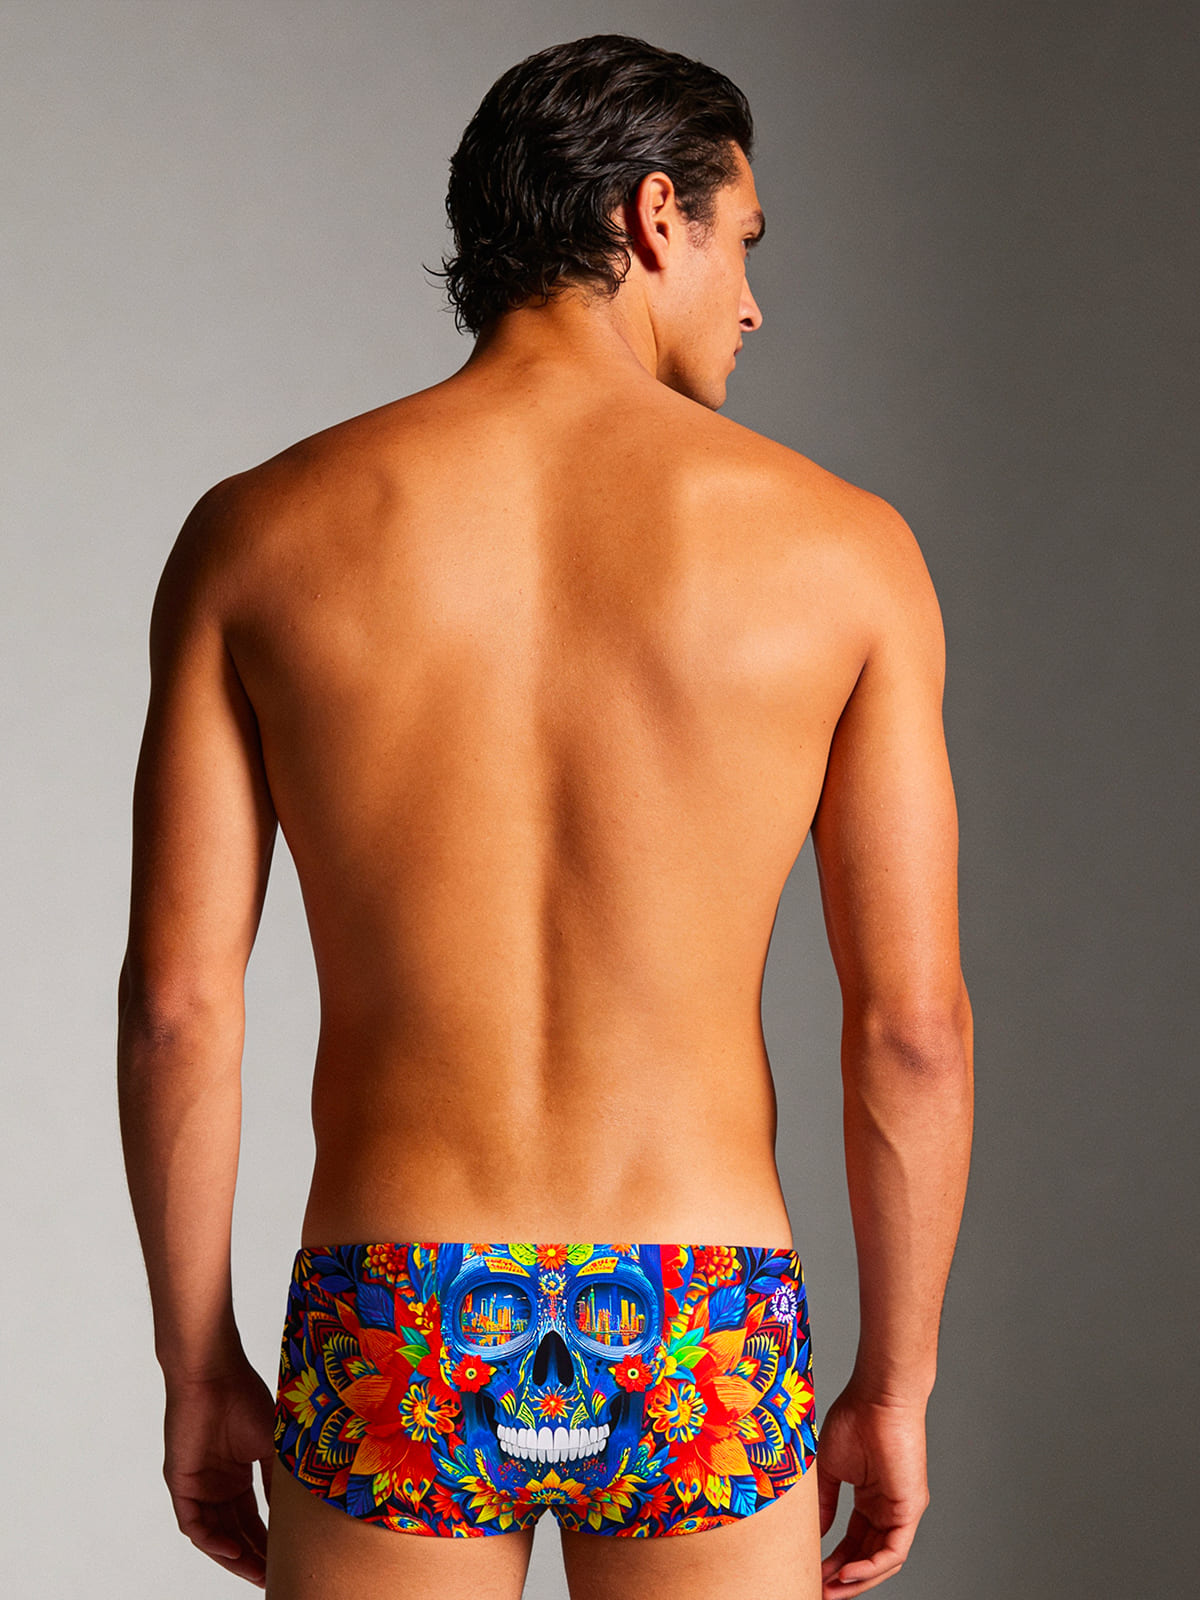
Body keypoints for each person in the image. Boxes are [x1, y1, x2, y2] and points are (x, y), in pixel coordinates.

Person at [117, 32, 973, 1600]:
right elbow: (912, 1033)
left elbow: (179, 1006)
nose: (752, 303)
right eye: (742, 242)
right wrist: (897, 1386)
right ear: (654, 218)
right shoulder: (847, 553)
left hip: (397, 1306)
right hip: (701, 1313)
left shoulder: (256, 535)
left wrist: (196, 1363)